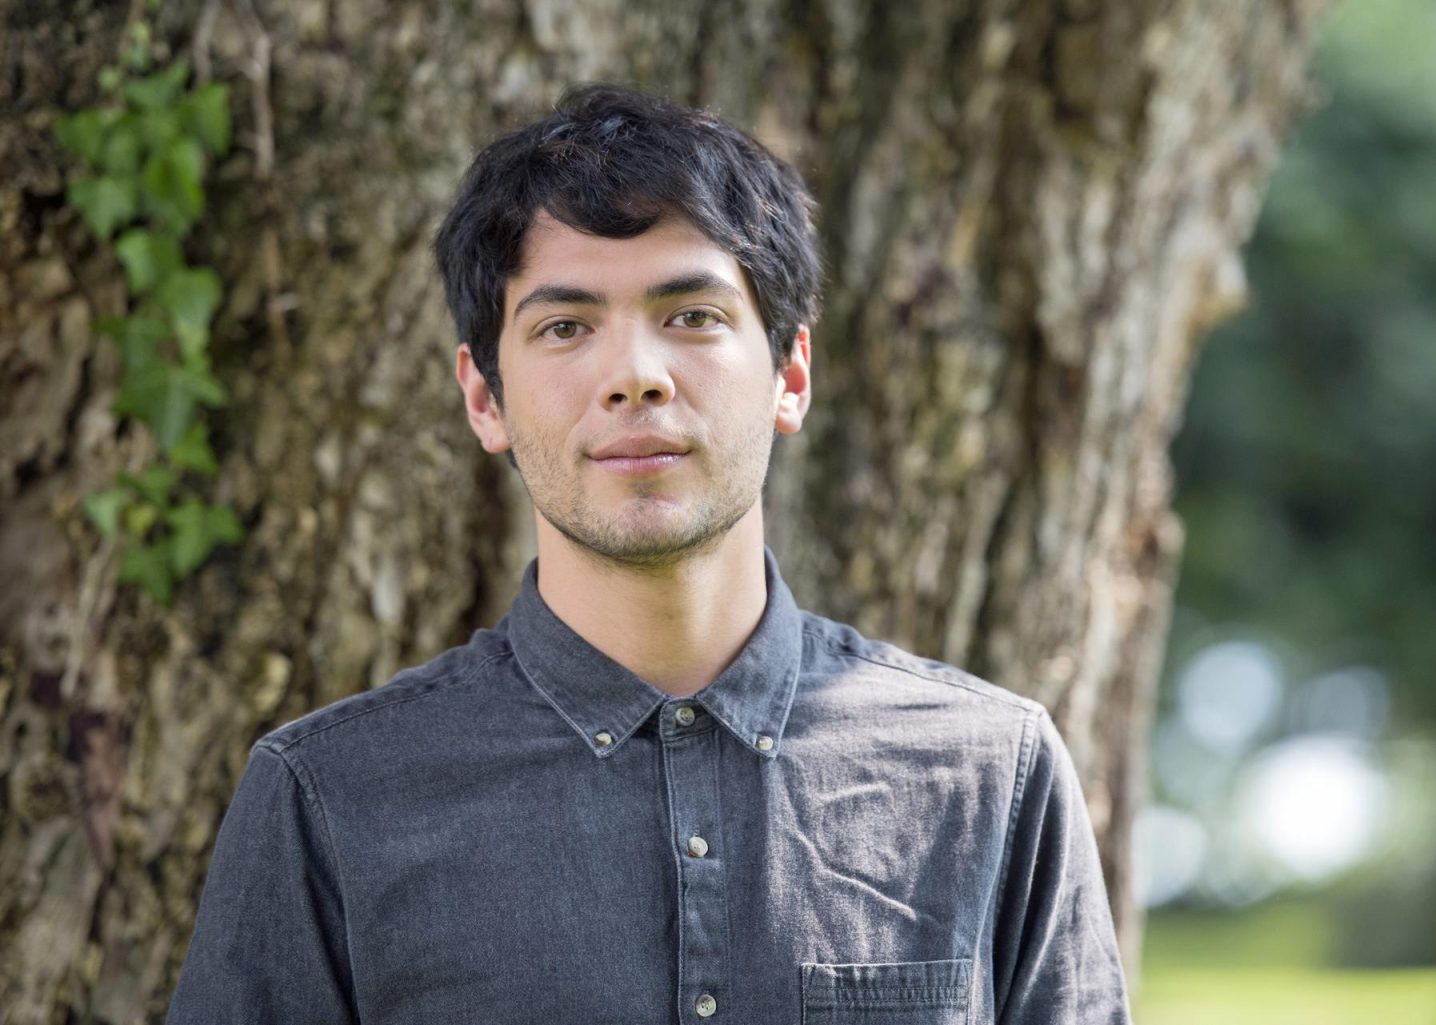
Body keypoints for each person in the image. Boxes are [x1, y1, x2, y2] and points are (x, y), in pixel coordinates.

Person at [166, 84, 1132, 1024]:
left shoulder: (985, 776)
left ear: (791, 373)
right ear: (484, 398)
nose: (635, 374)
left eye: (692, 316)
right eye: (566, 326)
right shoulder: (332, 797)